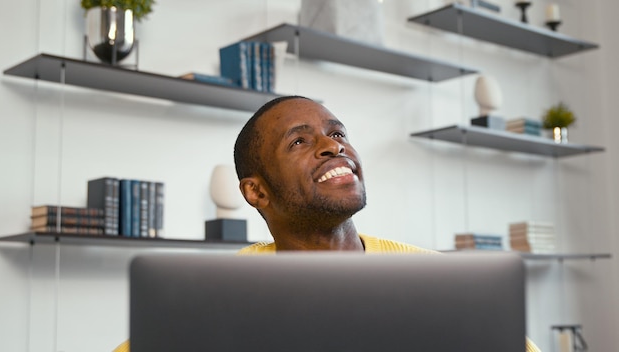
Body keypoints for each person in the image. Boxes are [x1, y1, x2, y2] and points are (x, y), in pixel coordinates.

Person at [113, 95, 540, 352]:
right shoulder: (208, 299)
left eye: (337, 134)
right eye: (299, 141)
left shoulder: (442, 284)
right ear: (256, 192)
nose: (331, 147)